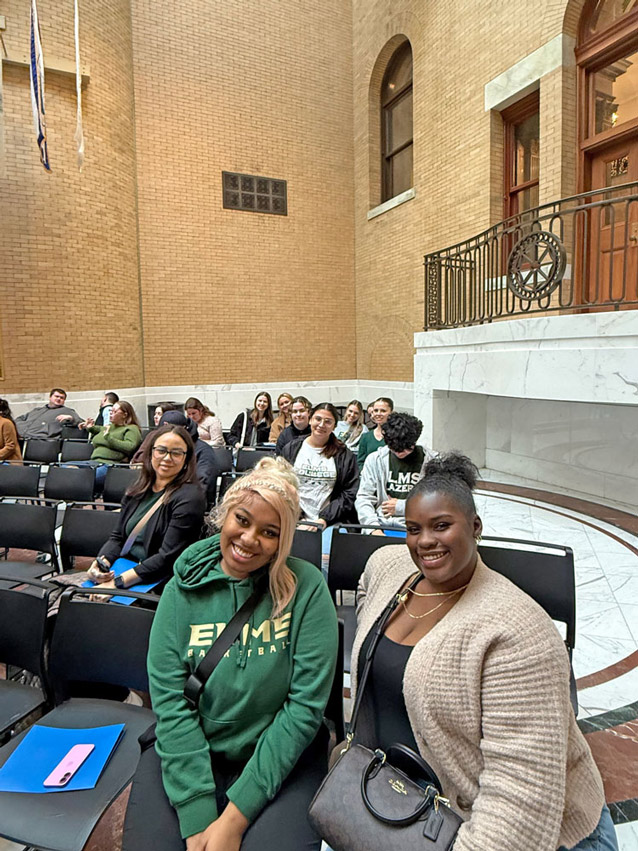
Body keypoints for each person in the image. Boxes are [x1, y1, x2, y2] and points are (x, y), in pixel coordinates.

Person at [351, 453, 614, 851]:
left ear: (475, 527)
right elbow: (367, 588)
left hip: (516, 832)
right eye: (413, 528)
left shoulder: (518, 632)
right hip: (408, 801)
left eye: (442, 526)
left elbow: (519, 804)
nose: (425, 541)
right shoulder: (390, 567)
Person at [122, 457, 338, 851]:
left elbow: (304, 708)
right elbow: (171, 704)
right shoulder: (179, 591)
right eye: (242, 520)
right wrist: (198, 817)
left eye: (270, 532)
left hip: (277, 753)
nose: (250, 539)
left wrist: (234, 821)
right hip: (190, 744)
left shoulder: (307, 590)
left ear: (284, 539)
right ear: (224, 515)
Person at [87, 425, 206, 591]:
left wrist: (116, 583)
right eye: (161, 450)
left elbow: (167, 558)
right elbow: (118, 537)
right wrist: (101, 564)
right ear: (151, 453)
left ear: (186, 459)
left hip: (159, 581)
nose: (167, 458)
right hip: (126, 568)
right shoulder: (138, 488)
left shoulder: (190, 498)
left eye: (176, 453)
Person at [280, 402, 359, 531]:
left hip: (331, 521)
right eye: (318, 419)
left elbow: (349, 493)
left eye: (328, 421)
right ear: (310, 420)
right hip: (294, 518)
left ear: (334, 426)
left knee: (326, 550)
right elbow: (281, 484)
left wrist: (324, 519)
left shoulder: (344, 455)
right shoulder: (291, 449)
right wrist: (296, 517)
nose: (321, 425)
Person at [355, 412, 435, 533]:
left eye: (406, 448)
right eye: (394, 448)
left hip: (418, 528)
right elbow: (364, 498)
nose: (400, 453)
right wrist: (372, 528)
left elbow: (438, 503)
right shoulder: (375, 460)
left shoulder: (432, 461)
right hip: (380, 524)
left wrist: (402, 507)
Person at [77, 401, 143, 491]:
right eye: (110, 411)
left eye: (115, 412)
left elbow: (130, 446)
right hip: (94, 462)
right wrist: (89, 427)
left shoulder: (131, 429)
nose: (111, 414)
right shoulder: (110, 426)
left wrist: (109, 438)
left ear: (124, 415)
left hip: (111, 466)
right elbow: (99, 429)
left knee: (78, 478)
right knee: (63, 469)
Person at [161, 411, 220, 506]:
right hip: (162, 500)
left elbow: (203, 483)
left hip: (189, 503)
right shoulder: (159, 448)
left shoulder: (203, 451)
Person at [15, 388, 81, 440]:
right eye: (56, 396)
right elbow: (20, 419)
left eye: (62, 398)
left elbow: (80, 422)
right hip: (20, 437)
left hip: (40, 440)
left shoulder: (67, 411)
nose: (59, 399)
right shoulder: (37, 410)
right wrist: (20, 426)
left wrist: (70, 418)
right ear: (50, 397)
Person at [356, 396, 393, 469]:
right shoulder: (365, 437)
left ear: (391, 412)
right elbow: (360, 462)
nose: (378, 414)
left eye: (383, 411)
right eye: (376, 410)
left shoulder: (396, 435)